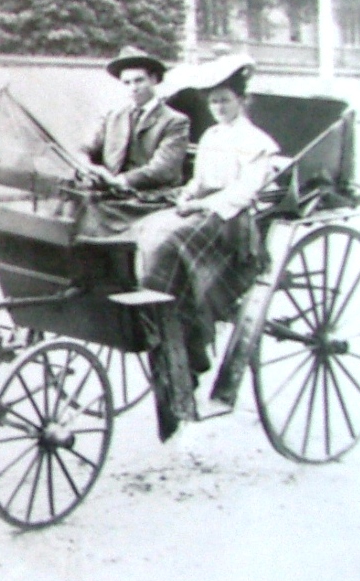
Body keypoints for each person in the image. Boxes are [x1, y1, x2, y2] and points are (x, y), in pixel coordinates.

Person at [133, 53, 280, 435]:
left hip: (230, 222)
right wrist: (185, 197)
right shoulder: (212, 136)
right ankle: (160, 309)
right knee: (150, 227)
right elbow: (198, 180)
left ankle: (181, 319)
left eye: (225, 101)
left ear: (241, 102)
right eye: (213, 102)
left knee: (168, 239)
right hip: (201, 209)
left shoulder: (258, 142)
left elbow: (243, 193)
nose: (218, 108)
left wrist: (200, 204)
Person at [80, 46, 190, 192]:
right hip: (110, 193)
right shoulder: (112, 116)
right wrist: (87, 167)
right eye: (127, 83)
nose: (133, 88)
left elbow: (163, 169)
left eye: (139, 81)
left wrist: (120, 181)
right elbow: (85, 149)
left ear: (153, 79)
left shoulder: (175, 121)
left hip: (152, 197)